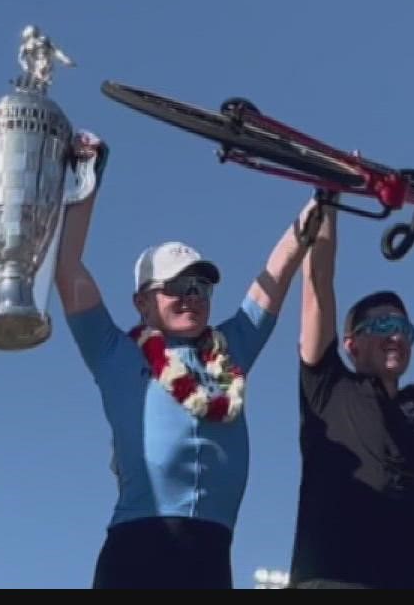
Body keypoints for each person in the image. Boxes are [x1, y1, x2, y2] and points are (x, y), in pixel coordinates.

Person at [54, 136, 327, 590]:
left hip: (210, 554)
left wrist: (318, 202)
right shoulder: (113, 351)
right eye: (177, 288)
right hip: (138, 547)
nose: (191, 297)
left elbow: (274, 278)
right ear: (142, 302)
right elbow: (68, 270)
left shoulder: (230, 350)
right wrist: (88, 176)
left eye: (201, 288)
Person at [288, 198, 414, 589]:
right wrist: (330, 198)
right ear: (352, 343)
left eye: (405, 328)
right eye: (383, 325)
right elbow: (317, 286)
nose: (397, 335)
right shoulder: (327, 386)